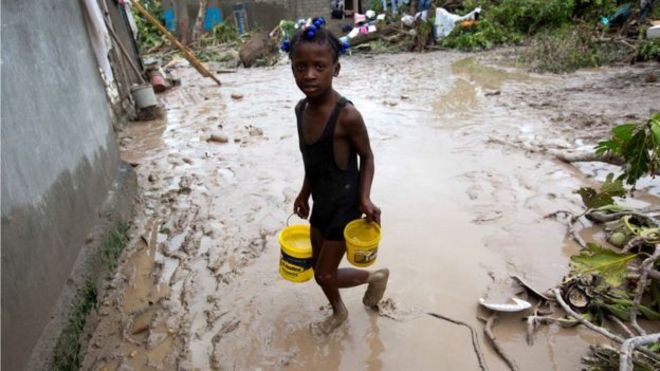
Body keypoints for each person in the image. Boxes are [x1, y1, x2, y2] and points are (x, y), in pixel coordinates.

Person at [284, 21, 390, 334]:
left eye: (319, 66)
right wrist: (304, 193)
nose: (309, 75)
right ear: (292, 68)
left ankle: (375, 277)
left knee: (324, 274)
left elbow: (367, 157)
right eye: (300, 67)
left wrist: (364, 197)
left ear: (336, 68)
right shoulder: (300, 109)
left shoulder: (347, 115)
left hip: (345, 205)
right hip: (321, 201)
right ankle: (339, 311)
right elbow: (312, 160)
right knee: (319, 268)